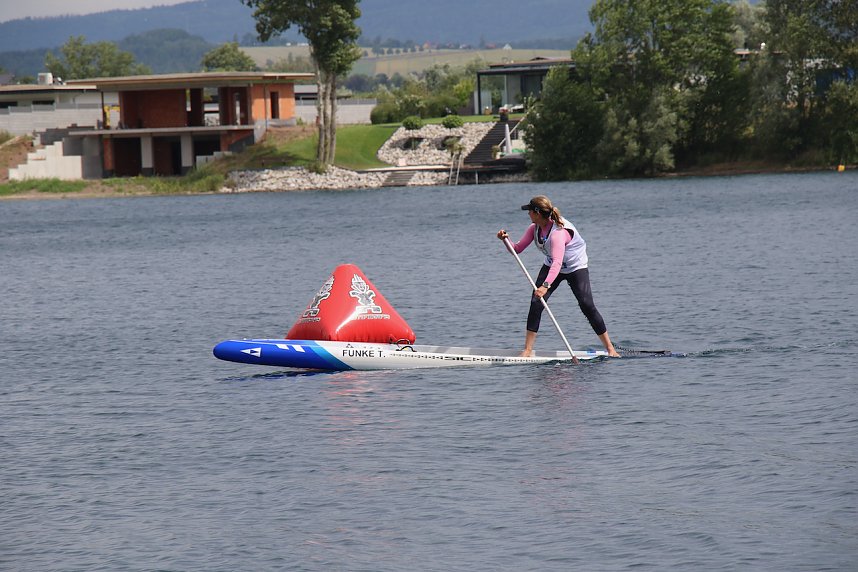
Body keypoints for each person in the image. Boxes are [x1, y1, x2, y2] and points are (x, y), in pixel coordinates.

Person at [497, 195, 620, 358]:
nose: (527, 215)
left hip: (575, 267)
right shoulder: (534, 228)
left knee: (586, 305)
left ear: (537, 213)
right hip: (552, 265)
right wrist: (505, 240)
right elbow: (517, 249)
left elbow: (557, 262)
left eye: (529, 211)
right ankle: (527, 351)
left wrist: (545, 286)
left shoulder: (558, 233)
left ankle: (611, 349)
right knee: (536, 302)